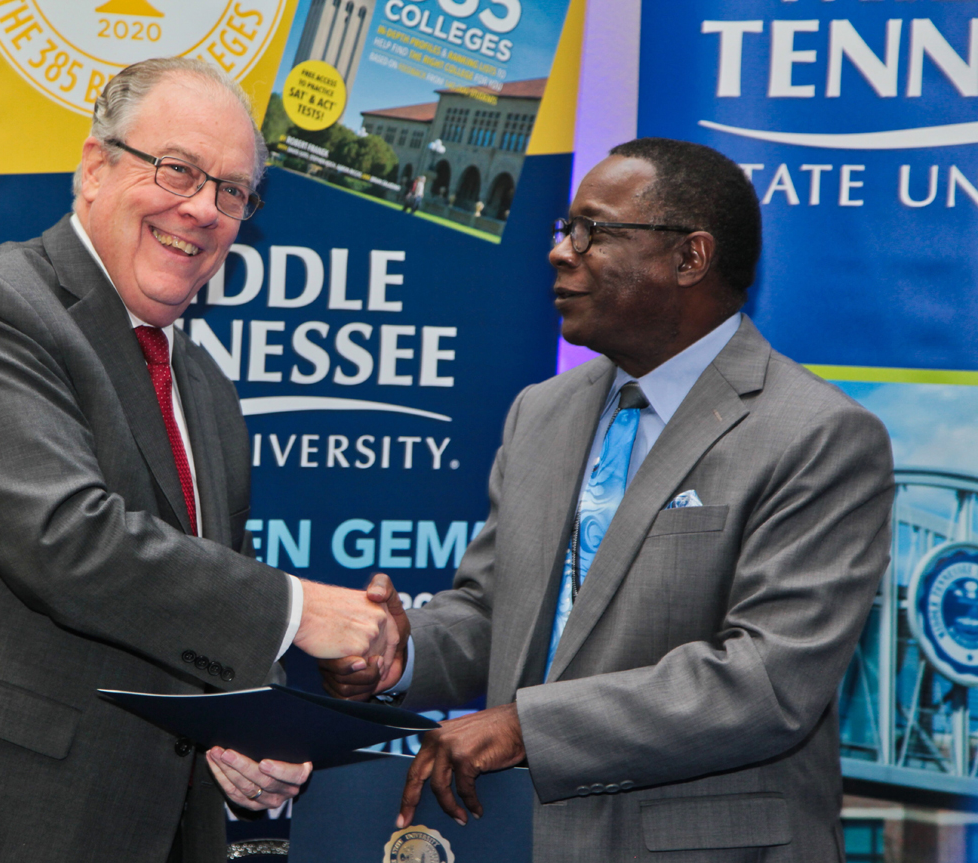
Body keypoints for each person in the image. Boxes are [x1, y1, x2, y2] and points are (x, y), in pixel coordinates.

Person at [0, 58, 404, 863]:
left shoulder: (207, 388)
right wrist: (303, 611)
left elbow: (192, 601)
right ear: (93, 168)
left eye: (232, 192)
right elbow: (66, 540)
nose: (203, 209)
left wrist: (247, 734)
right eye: (179, 169)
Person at [322, 138, 895, 862]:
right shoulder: (542, 410)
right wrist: (398, 655)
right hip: (514, 837)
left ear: (689, 257)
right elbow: (493, 615)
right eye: (566, 230)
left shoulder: (819, 435)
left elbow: (766, 683)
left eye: (592, 231)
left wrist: (527, 726)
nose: (562, 253)